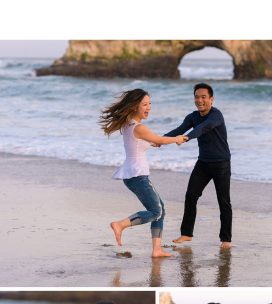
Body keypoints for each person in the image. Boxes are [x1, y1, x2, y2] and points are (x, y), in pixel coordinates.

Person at [100, 89, 188, 258]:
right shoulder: (139, 127)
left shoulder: (129, 125)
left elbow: (144, 142)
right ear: (134, 107)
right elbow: (159, 139)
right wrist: (177, 138)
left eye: (150, 104)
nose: (149, 108)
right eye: (145, 105)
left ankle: (157, 250)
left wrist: (154, 142)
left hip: (133, 175)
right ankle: (120, 225)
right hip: (137, 175)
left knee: (159, 208)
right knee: (156, 211)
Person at [164, 83, 233, 249]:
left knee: (223, 201)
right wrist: (160, 140)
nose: (200, 100)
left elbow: (204, 128)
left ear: (211, 99)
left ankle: (226, 240)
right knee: (191, 196)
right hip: (203, 163)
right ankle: (186, 234)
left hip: (221, 163)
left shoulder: (216, 115)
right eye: (197, 97)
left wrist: (187, 138)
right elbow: (180, 129)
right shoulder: (192, 117)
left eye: (203, 97)